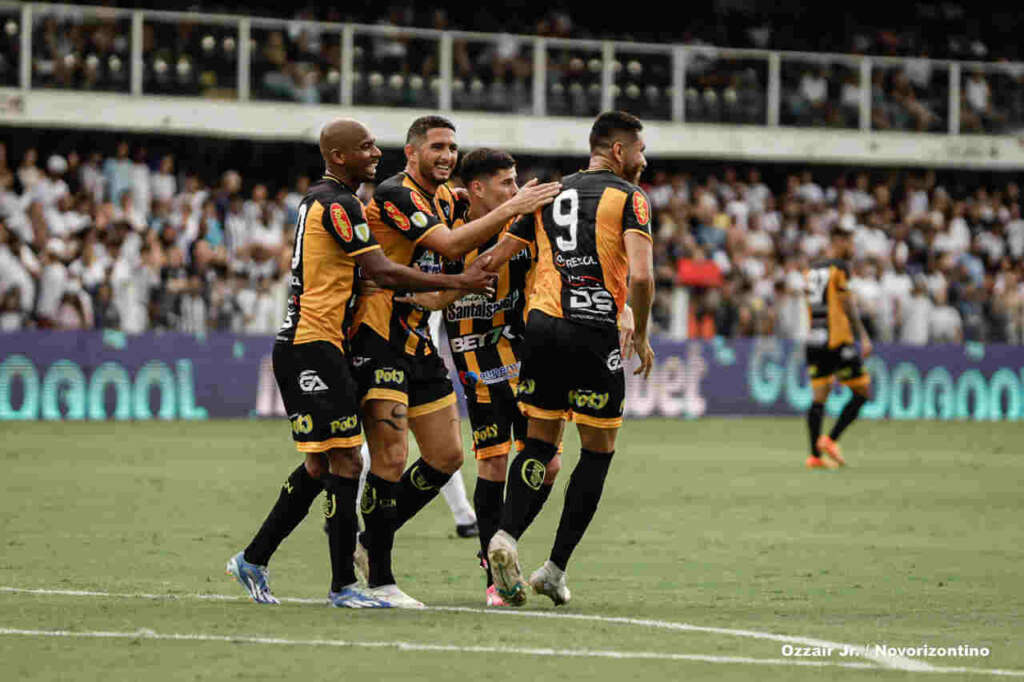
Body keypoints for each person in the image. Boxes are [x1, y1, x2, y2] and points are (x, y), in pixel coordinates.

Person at [225, 117, 498, 609]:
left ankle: (254, 558)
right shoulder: (338, 202)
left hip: (326, 342)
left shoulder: (332, 200)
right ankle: (344, 586)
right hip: (314, 342)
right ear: (338, 156)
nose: (376, 153)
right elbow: (381, 270)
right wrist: (459, 284)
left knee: (320, 464)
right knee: (348, 459)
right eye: (366, 147)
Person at [348, 116, 561, 608]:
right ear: (412, 153)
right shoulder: (397, 194)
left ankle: (371, 539)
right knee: (390, 460)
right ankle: (379, 571)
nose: (446, 155)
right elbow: (452, 251)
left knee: (447, 458)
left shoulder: (450, 200)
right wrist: (516, 210)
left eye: (451, 147)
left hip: (428, 343)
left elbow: (452, 279)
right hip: (386, 340)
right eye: (437, 147)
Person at [478, 111, 657, 607]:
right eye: (639, 150)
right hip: (593, 330)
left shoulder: (546, 194)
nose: (644, 159)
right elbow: (641, 278)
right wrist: (639, 334)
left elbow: (491, 260)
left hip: (540, 329)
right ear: (618, 151)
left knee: (539, 444)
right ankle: (554, 569)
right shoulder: (631, 198)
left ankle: (504, 537)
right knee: (596, 452)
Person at [802, 222, 873, 470]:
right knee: (863, 391)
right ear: (839, 242)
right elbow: (846, 303)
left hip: (813, 340)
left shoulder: (810, 270)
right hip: (836, 340)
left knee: (819, 397)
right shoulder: (840, 268)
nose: (852, 248)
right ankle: (830, 440)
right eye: (850, 242)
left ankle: (814, 456)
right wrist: (862, 335)